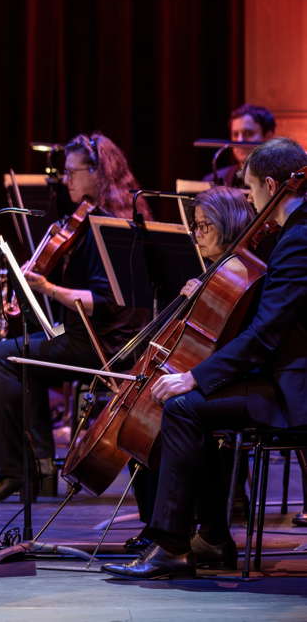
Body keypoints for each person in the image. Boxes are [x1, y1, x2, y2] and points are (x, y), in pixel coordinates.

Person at [103, 138, 307, 579]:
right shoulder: (290, 237)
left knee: (183, 406)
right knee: (191, 407)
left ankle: (171, 546)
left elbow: (266, 335)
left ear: (272, 185)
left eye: (251, 190)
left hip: (293, 390)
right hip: (276, 375)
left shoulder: (298, 241)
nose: (251, 204)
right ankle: (210, 535)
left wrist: (196, 376)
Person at [0, 133, 148, 502]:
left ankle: (24, 470)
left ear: (98, 173)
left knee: (4, 357)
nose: (68, 180)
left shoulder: (112, 228)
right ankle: (34, 469)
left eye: (74, 172)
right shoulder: (87, 222)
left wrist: (46, 287)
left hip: (105, 343)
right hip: (82, 335)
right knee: (18, 357)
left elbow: (101, 302)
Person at [125, 186, 256, 554]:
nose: (197, 235)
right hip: (221, 374)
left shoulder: (241, 273)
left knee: (174, 407)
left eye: (204, 227)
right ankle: (207, 532)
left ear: (228, 225)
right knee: (159, 401)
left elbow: (234, 343)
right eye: (195, 227)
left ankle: (172, 538)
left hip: (240, 379)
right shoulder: (219, 272)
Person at [205, 104, 276, 187]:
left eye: (248, 133)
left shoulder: (280, 181)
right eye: (235, 134)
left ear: (268, 137)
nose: (240, 140)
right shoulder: (212, 180)